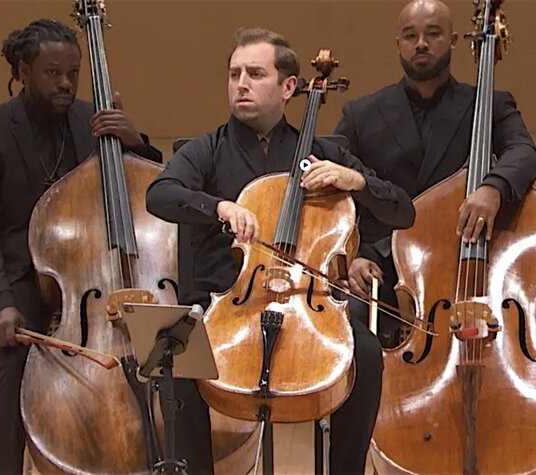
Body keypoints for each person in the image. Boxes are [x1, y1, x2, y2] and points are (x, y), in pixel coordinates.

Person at [145, 27, 415, 475]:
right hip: (223, 303)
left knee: (364, 354)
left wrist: (358, 182)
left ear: (289, 87)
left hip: (307, 303)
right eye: (234, 74)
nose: (241, 84)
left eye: (254, 73)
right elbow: (161, 194)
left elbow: (403, 211)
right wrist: (220, 206)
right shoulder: (205, 150)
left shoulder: (324, 154)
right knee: (176, 350)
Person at [0, 19, 162, 475]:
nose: (66, 83)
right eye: (53, 73)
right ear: (23, 70)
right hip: (18, 275)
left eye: (73, 72)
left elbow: (146, 190)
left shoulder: (94, 120)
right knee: (13, 378)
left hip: (90, 270)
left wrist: (135, 143)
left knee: (159, 357)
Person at [336, 0, 536, 347]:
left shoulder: (488, 103)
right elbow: (334, 188)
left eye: (432, 34)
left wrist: (492, 188)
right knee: (350, 318)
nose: (421, 43)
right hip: (391, 266)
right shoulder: (361, 115)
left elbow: (523, 152)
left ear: (452, 40)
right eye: (410, 35)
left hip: (469, 255)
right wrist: (355, 255)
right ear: (398, 44)